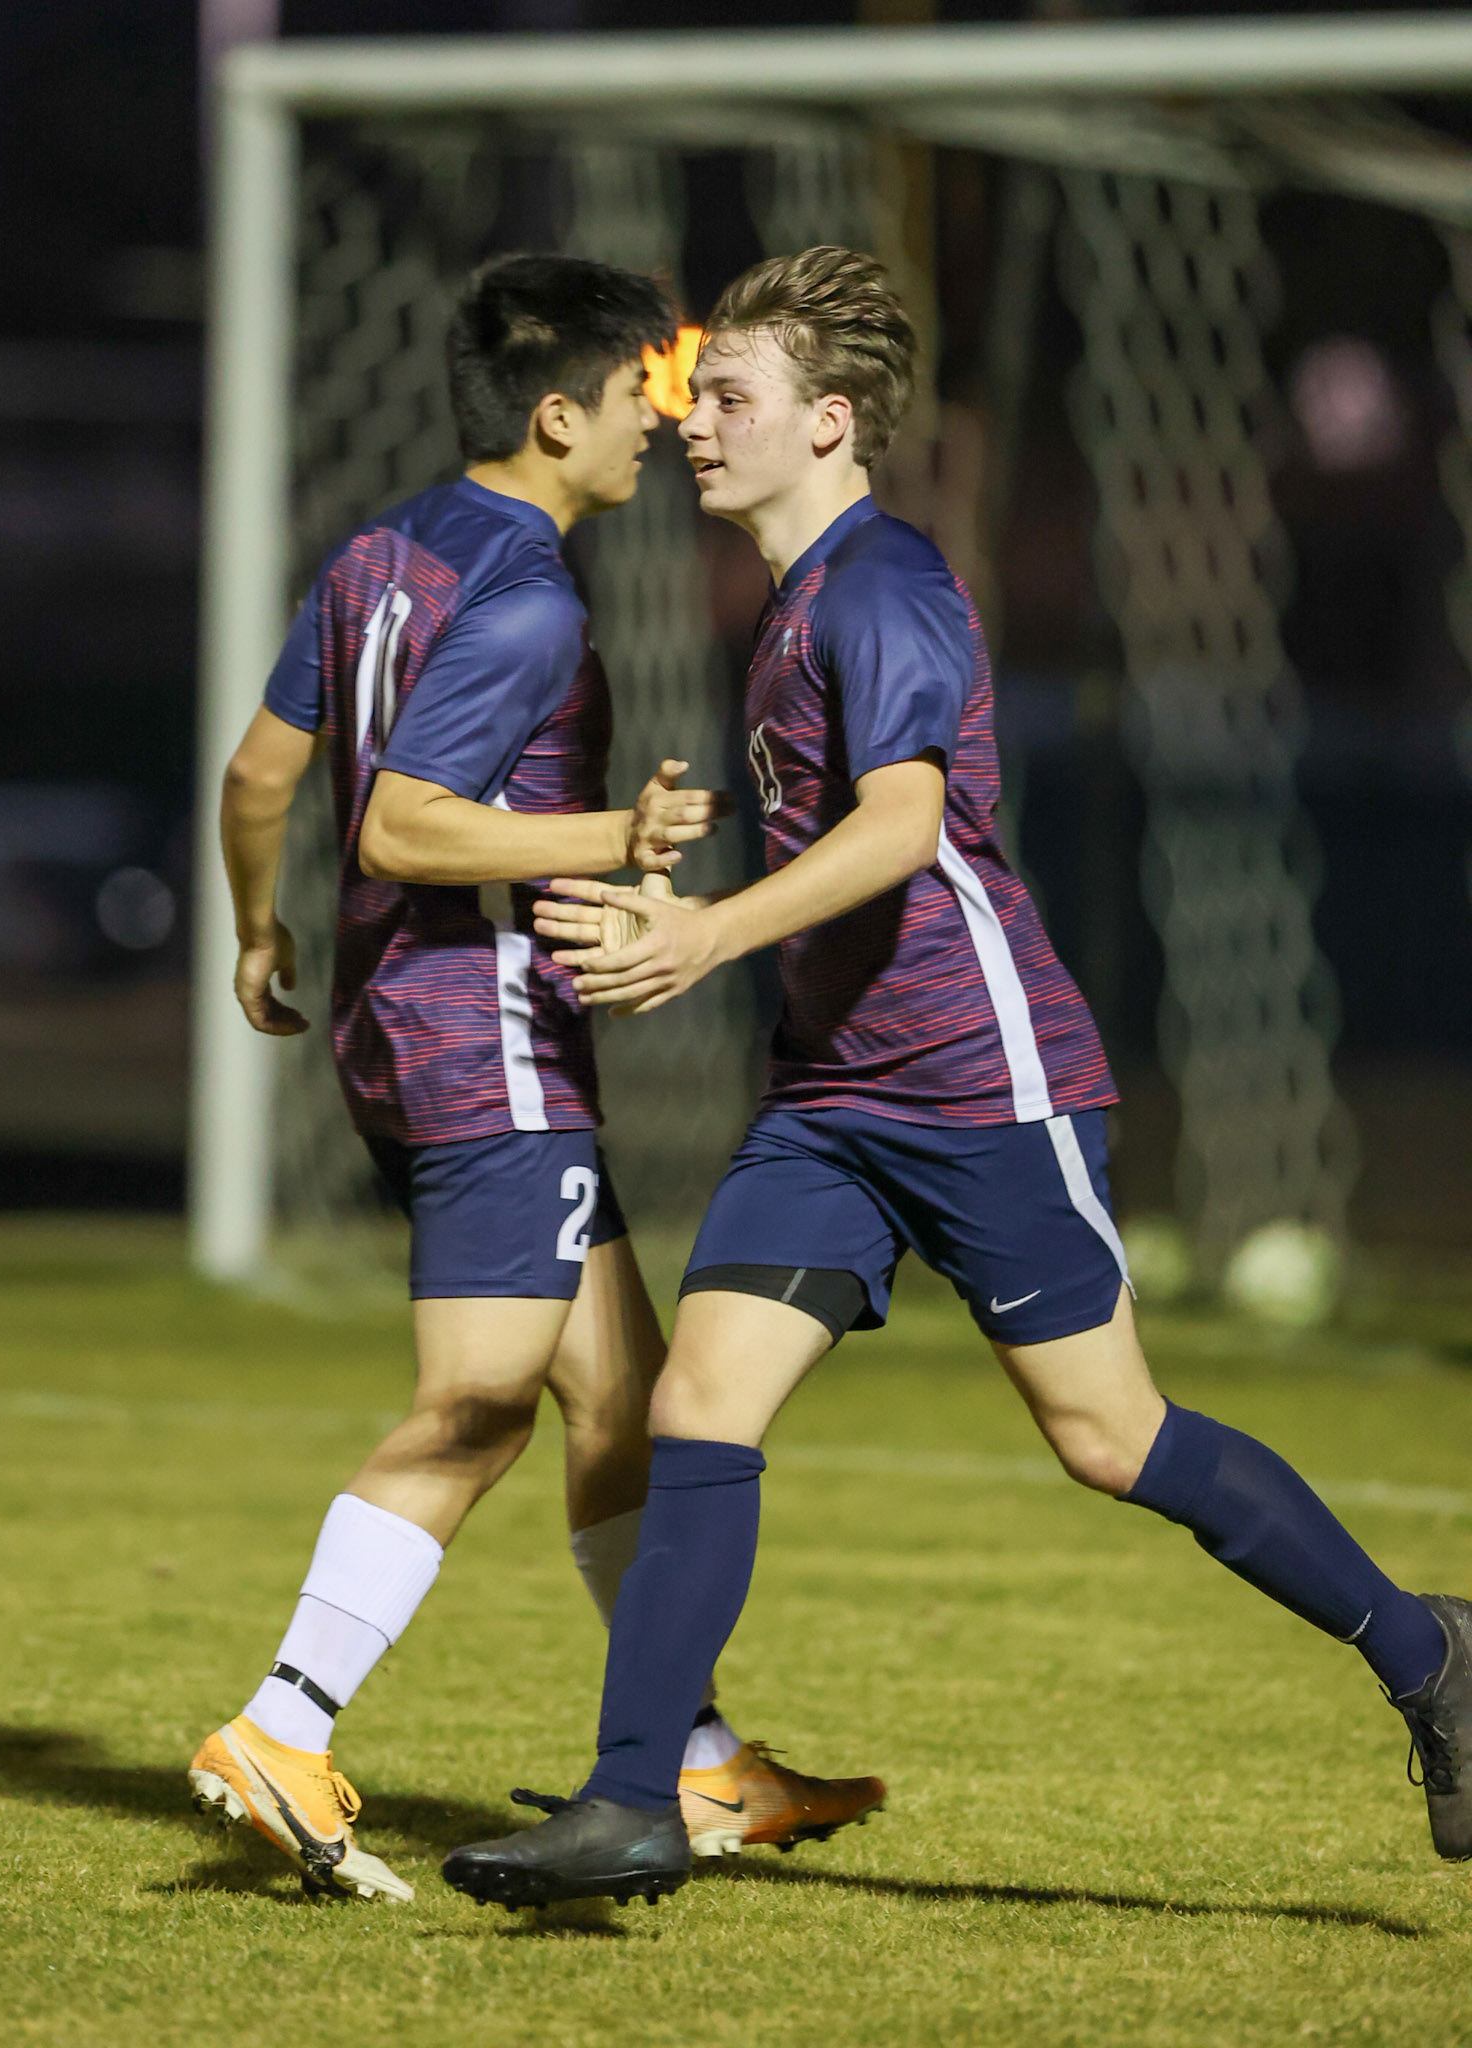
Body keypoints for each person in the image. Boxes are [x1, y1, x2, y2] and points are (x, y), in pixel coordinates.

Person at [441, 245, 1472, 1912]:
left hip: (983, 1082)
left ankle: (1428, 1650)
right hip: (833, 1103)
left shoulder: (882, 582)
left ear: (829, 425)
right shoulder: (790, 601)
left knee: (1110, 1434)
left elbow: (906, 822)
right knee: (693, 1407)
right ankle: (639, 1804)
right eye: (695, 398)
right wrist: (672, 906)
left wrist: (701, 940)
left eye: (732, 399)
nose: (694, 422)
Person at [188, 253, 885, 1904]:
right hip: (478, 1030)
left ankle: (698, 1764)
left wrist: (256, 935)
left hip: (399, 1015)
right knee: (477, 1406)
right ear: (555, 413)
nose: (664, 421)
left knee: (617, 1402)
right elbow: (401, 822)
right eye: (640, 393)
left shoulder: (385, 551)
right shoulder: (531, 596)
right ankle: (283, 1728)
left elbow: (260, 773)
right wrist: (617, 836)